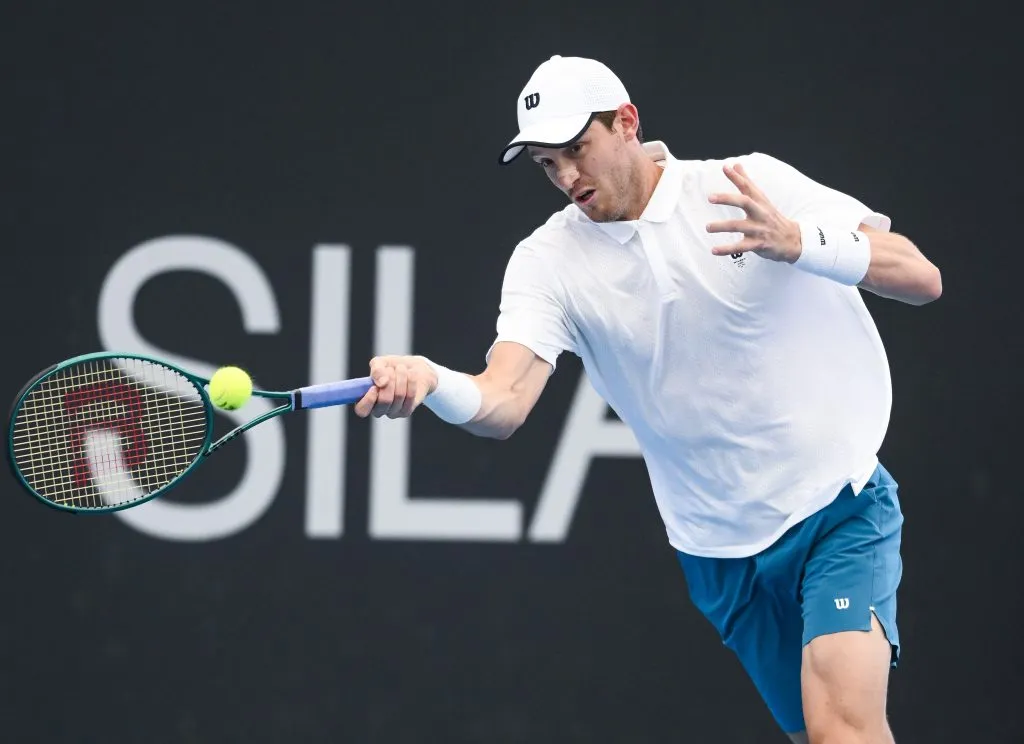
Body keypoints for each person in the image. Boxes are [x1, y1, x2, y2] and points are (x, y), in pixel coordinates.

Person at [353, 55, 941, 743]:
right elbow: (503, 400)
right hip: (720, 553)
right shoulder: (548, 263)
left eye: (578, 149)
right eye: (548, 163)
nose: (567, 176)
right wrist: (428, 379)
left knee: (843, 728)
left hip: (838, 508)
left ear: (627, 123)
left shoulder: (742, 184)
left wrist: (799, 242)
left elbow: (920, 276)